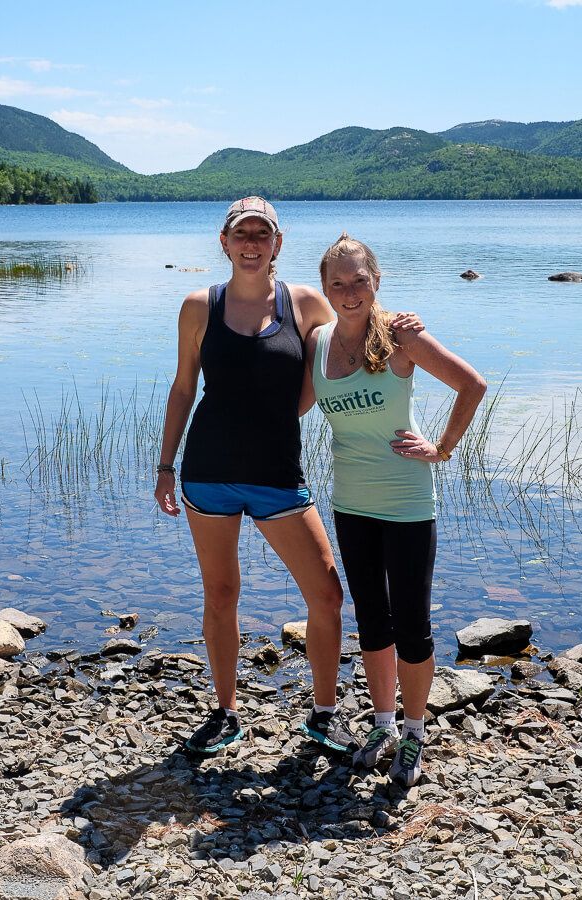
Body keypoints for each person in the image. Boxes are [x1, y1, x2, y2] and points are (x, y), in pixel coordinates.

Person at [154, 198, 423, 756]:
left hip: (278, 472)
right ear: (224, 242)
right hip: (208, 472)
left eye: (262, 233)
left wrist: (403, 326)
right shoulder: (197, 306)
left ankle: (323, 714)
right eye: (241, 233)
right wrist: (164, 465)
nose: (251, 242)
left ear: (278, 242)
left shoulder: (304, 302)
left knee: (326, 593)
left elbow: (353, 334)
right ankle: (226, 711)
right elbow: (183, 388)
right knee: (221, 593)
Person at [303, 233, 487, 786]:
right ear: (326, 290)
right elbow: (285, 408)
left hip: (407, 503)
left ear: (376, 281)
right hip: (350, 504)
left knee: (412, 624)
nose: (350, 291)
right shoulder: (317, 343)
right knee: (372, 621)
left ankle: (413, 733)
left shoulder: (401, 336)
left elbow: (470, 385)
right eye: (338, 283)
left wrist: (442, 449)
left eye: (360, 280)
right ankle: (382, 723)